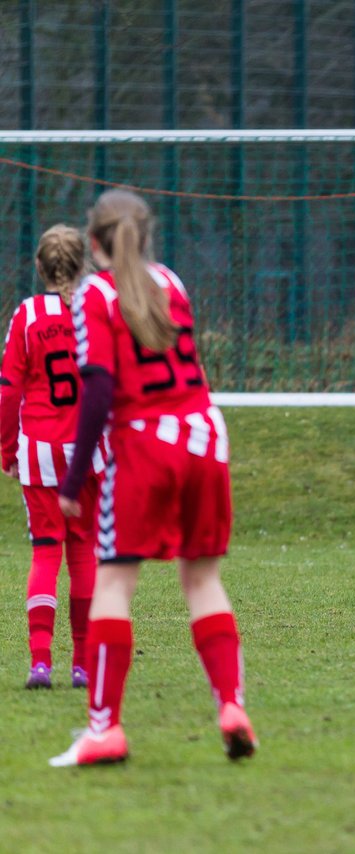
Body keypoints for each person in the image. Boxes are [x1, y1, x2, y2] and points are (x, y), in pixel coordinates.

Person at [48, 189, 255, 767]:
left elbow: (99, 390)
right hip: (204, 434)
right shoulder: (174, 282)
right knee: (203, 580)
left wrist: (71, 479)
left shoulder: (94, 293)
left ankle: (104, 729)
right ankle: (231, 706)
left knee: (114, 583)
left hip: (145, 444)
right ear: (146, 235)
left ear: (94, 243)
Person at [1, 225, 104, 690]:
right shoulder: (99, 310)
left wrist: (6, 450)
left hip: (40, 450)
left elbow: (9, 391)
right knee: (84, 554)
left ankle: (40, 662)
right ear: (82, 266)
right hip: (89, 451)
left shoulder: (26, 315)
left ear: (39, 267)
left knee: (46, 553)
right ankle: (82, 664)